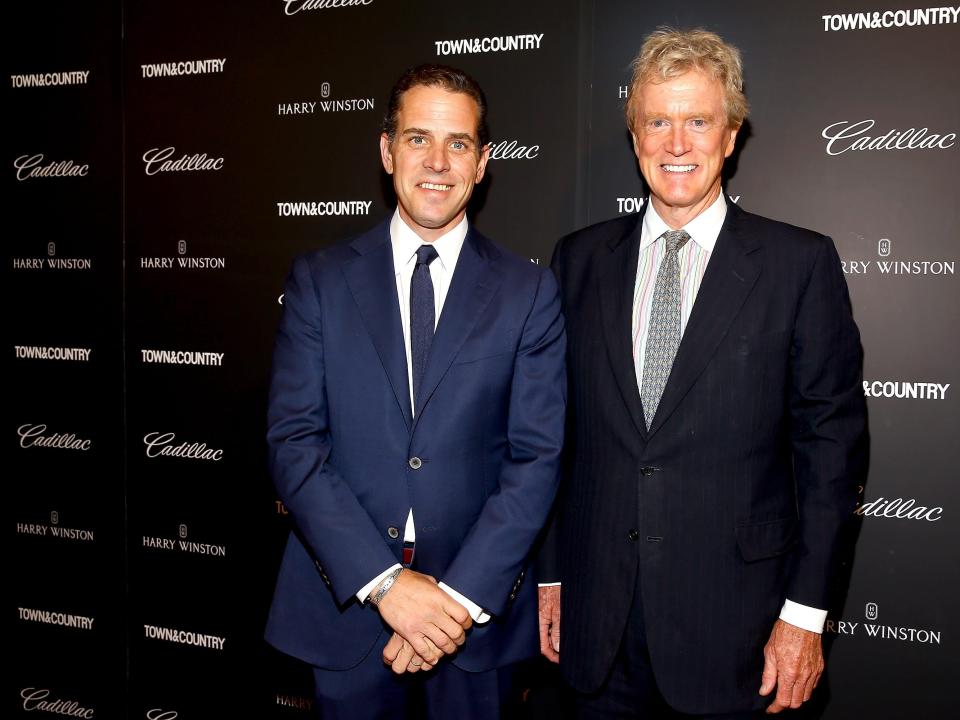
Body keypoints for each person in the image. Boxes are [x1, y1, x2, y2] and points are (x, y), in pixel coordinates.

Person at [538, 28, 867, 718]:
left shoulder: (797, 265)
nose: (676, 143)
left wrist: (805, 617)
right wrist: (552, 576)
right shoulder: (577, 260)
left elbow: (830, 454)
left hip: (740, 637)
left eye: (698, 121)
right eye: (657, 121)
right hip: (597, 633)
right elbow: (554, 439)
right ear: (635, 137)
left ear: (731, 135)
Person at [265, 63, 566, 719]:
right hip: (345, 610)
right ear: (386, 149)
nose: (438, 161)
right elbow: (294, 444)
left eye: (458, 143)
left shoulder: (529, 292)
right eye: (417, 138)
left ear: (483, 162)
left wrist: (452, 603)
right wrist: (386, 587)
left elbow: (536, 459)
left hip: (474, 624)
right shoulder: (319, 281)